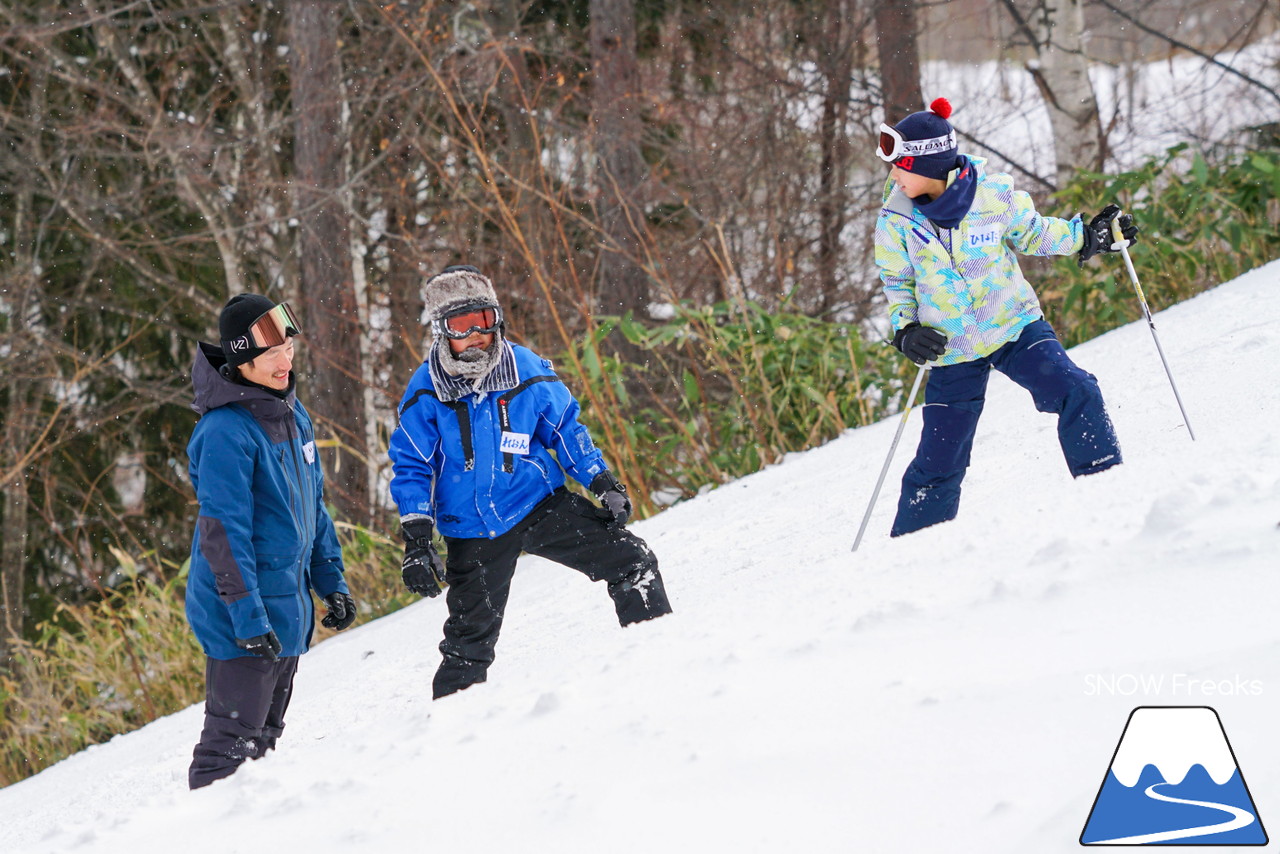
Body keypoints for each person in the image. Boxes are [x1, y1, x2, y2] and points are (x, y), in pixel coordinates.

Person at [387, 265, 672, 699]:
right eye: (461, 325)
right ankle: (449, 729)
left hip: (538, 504)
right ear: (442, 332)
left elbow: (565, 429)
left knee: (633, 561)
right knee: (469, 643)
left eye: (483, 320)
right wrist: (417, 539)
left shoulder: (525, 369)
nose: (476, 335)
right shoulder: (427, 389)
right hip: (473, 528)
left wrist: (602, 481)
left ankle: (659, 661)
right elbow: (411, 464)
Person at [874, 98, 1134, 537]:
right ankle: (911, 547)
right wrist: (906, 331)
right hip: (950, 348)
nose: (892, 175)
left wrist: (1086, 236)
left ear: (930, 163)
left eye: (899, 164)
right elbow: (897, 283)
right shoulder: (896, 220)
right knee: (941, 455)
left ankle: (1106, 490)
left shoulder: (991, 196)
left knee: (1077, 390)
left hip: (1013, 326)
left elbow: (1033, 231)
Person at [184, 294, 356, 789]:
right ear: (241, 362)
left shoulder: (291, 415)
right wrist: (248, 619)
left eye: (289, 349)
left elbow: (312, 509)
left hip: (285, 609)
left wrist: (332, 584)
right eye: (270, 355)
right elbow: (224, 535)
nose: (286, 362)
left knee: (263, 742)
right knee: (229, 749)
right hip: (242, 615)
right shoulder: (224, 433)